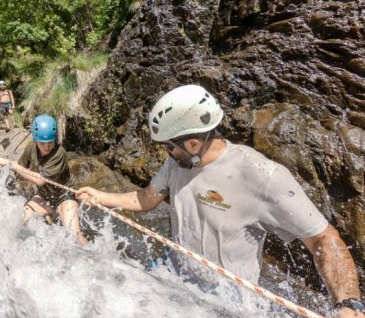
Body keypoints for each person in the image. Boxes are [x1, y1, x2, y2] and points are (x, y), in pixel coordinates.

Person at [76, 85, 364, 317]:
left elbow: (323, 239)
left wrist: (348, 304)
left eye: (168, 147)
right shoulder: (178, 165)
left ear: (191, 143)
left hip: (227, 302)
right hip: (174, 269)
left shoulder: (263, 176)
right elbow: (147, 199)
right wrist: (100, 196)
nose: (166, 153)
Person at [15, 114, 87, 245]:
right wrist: (26, 182)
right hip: (44, 194)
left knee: (74, 235)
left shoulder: (60, 153)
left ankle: (95, 259)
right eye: (42, 143)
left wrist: (12, 165)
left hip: (65, 195)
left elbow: (41, 180)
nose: (47, 146)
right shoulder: (31, 147)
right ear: (35, 140)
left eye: (50, 142)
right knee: (21, 219)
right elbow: (21, 167)